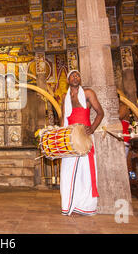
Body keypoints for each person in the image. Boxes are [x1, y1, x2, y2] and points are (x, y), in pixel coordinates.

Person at [60, 70, 104, 216]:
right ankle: (68, 205)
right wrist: (61, 138)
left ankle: (85, 206)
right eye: (72, 75)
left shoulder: (88, 93)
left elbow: (100, 112)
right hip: (69, 138)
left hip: (85, 138)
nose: (75, 77)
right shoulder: (64, 97)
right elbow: (63, 119)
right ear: (68, 80)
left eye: (78, 75)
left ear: (80, 78)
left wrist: (92, 128)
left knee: (86, 172)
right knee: (67, 172)